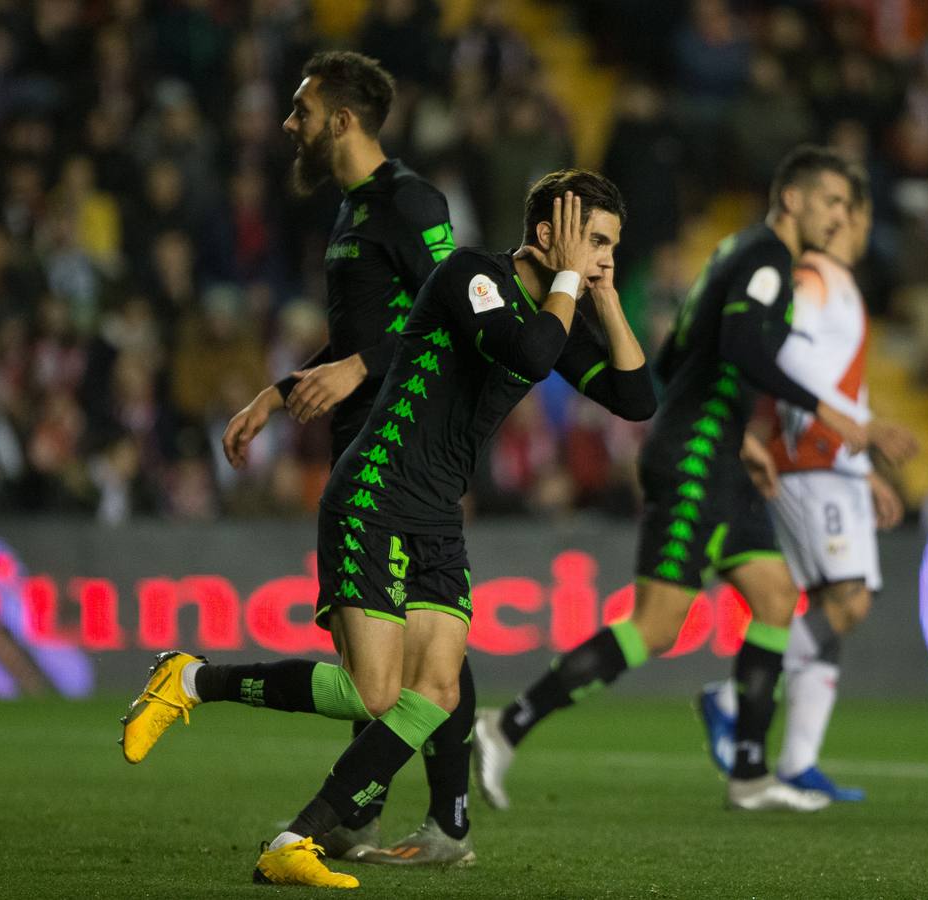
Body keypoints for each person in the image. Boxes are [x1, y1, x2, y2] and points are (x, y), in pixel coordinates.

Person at [119, 170, 654, 887]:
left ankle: (296, 839)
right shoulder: (473, 276)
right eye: (595, 241)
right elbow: (525, 351)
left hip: (437, 513)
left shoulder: (563, 312)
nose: (602, 259)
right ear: (548, 231)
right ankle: (192, 679)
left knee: (434, 692)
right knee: (374, 695)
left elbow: (636, 397)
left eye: (612, 247)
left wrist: (608, 299)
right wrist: (567, 281)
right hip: (377, 492)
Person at [474, 146, 914, 812]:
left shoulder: (735, 255)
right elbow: (742, 349)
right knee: (655, 626)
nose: (840, 216)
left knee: (773, 596)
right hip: (695, 456)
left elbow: (682, 349)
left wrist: (741, 434)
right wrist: (824, 412)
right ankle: (507, 725)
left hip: (720, 452)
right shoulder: (766, 258)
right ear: (793, 199)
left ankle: (749, 773)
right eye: (832, 202)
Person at [135, 50, 476, 867]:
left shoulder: (410, 202)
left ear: (343, 120)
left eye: (302, 110)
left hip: (406, 458)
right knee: (411, 670)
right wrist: (278, 392)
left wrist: (359, 368)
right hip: (376, 457)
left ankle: (199, 684)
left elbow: (455, 322)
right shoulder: (351, 213)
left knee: (413, 674)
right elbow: (356, 342)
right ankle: (404, 825)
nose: (291, 125)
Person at [698, 187, 915, 801]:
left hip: (834, 457)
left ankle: (797, 761)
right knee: (847, 604)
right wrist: (853, 440)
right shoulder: (814, 278)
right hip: (808, 454)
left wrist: (862, 466)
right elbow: (789, 359)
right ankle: (730, 697)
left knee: (833, 607)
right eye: (845, 207)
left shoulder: (841, 284)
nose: (848, 218)